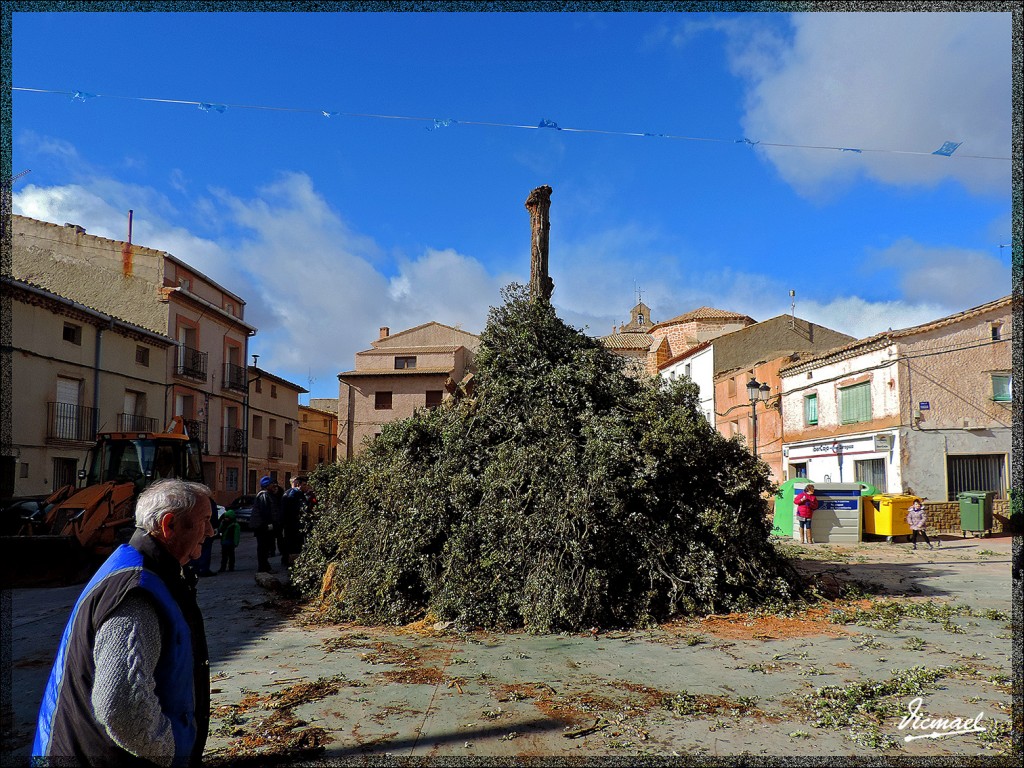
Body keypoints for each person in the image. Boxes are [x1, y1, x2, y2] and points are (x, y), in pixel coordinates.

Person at [32, 479, 214, 767]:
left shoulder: (144, 571)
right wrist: (170, 751)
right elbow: (120, 705)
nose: (212, 531)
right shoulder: (138, 592)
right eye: (205, 521)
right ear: (169, 525)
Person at [251, 476, 281, 573]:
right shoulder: (264, 495)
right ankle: (263, 568)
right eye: (272, 484)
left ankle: (265, 567)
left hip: (263, 526)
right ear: (267, 485)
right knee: (263, 548)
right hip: (263, 527)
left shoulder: (268, 494)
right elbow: (265, 512)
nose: (274, 486)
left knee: (265, 547)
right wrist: (269, 524)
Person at [281, 476, 309, 567]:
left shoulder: (299, 494)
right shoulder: (292, 494)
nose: (306, 487)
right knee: (292, 545)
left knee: (297, 544)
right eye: (304, 485)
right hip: (292, 525)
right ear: (298, 485)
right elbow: (289, 510)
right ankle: (291, 563)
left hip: (297, 524)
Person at [218, 508, 241, 572]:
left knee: (231, 556)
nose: (226, 519)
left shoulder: (235, 525)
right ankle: (223, 567)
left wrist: (236, 543)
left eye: (227, 517)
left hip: (230, 543)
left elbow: (236, 535)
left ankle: (231, 567)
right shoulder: (224, 523)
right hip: (225, 542)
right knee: (224, 556)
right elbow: (220, 530)